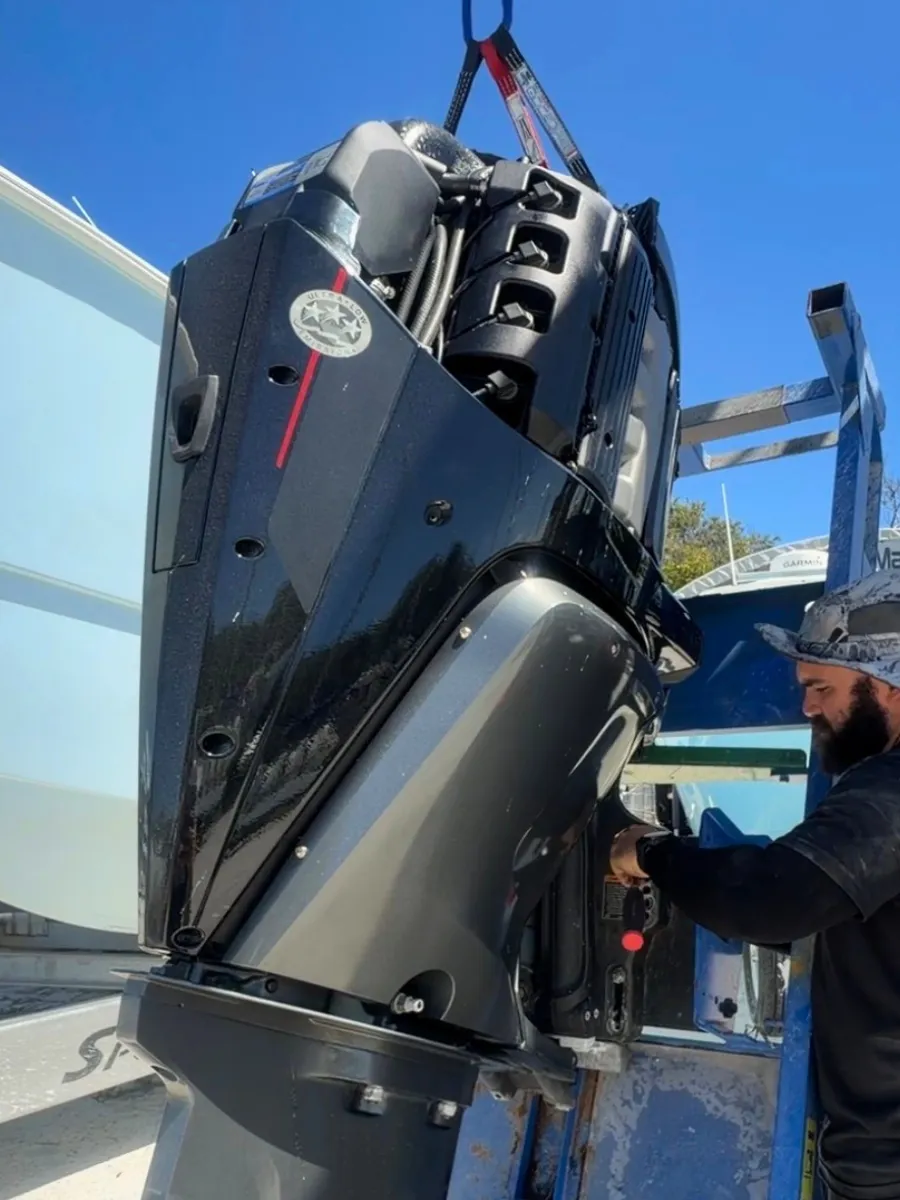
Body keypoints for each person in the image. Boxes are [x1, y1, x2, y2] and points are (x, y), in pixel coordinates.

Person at [610, 567, 900, 1200]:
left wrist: (651, 853)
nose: (807, 708)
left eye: (822, 686)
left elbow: (769, 899)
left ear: (891, 689)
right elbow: (836, 923)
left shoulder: (892, 791)